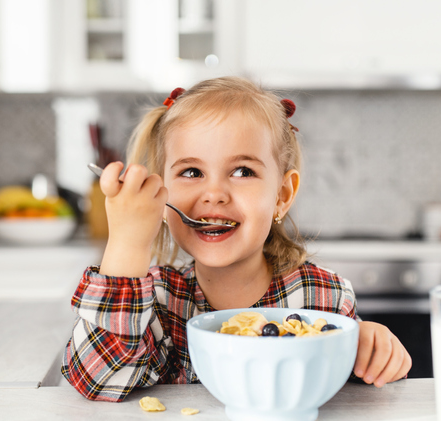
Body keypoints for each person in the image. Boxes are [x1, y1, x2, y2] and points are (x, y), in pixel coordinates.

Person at [62, 77, 411, 402]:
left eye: (242, 171)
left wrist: (370, 349)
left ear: (282, 194)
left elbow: (356, 388)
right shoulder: (155, 303)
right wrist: (127, 243)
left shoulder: (322, 298)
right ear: (161, 197)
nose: (214, 194)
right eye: (192, 172)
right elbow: (98, 379)